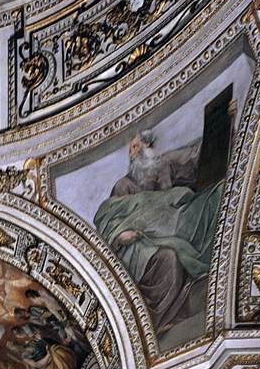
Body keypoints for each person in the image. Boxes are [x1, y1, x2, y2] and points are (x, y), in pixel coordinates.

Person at [93, 128, 224, 335]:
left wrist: (227, 122)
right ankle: (154, 321)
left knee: (214, 199)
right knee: (169, 258)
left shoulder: (164, 165)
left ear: (147, 146)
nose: (132, 154)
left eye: (135, 147)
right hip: (139, 244)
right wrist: (119, 236)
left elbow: (193, 156)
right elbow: (108, 220)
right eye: (130, 150)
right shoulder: (124, 185)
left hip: (173, 226)